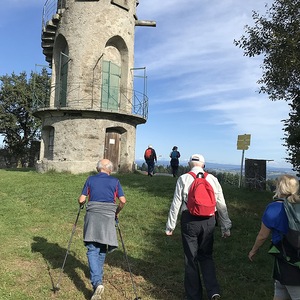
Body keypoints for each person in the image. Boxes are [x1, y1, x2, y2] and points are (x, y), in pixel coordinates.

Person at [165, 154, 232, 300]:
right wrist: (225, 226)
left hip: (189, 220)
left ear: (190, 164)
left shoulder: (183, 178)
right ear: (203, 165)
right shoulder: (212, 179)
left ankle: (194, 295)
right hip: (209, 220)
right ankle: (213, 291)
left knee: (191, 258)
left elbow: (176, 204)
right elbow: (221, 204)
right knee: (206, 256)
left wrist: (170, 226)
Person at [78, 159, 126, 300]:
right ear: (110, 169)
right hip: (108, 217)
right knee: (102, 246)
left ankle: (97, 281)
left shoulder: (90, 179)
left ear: (98, 168)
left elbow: (82, 199)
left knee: (92, 247)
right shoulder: (115, 181)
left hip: (93, 216)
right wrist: (116, 212)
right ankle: (97, 278)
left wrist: (82, 203)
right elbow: (123, 200)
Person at [248, 174, 300, 300]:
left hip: (283, 259)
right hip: (296, 259)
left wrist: (253, 250)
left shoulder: (273, 208)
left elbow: (262, 235)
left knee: (280, 291)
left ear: (279, 188)